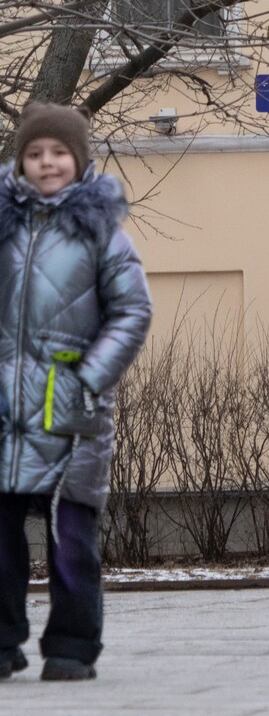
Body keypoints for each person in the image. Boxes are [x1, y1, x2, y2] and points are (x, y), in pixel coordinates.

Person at [0, 104, 152, 681]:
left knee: (71, 537)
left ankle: (71, 645)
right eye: (35, 154)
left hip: (71, 408)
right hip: (3, 407)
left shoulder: (102, 233)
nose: (47, 163)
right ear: (22, 161)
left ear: (79, 160)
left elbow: (132, 310)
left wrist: (89, 377)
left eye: (58, 153)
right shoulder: (3, 225)